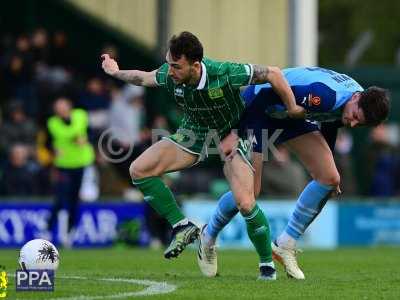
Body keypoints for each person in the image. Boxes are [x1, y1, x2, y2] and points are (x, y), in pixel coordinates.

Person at [102, 31, 304, 280]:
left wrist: (293, 107)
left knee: (246, 201)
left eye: (176, 66)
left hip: (235, 131)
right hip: (195, 134)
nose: (170, 70)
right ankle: (183, 226)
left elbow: (273, 73)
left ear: (196, 65)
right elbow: (143, 78)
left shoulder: (224, 72)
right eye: (168, 63)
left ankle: (266, 265)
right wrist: (114, 71)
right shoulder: (170, 74)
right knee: (138, 170)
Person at [197, 66, 390, 279]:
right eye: (354, 116)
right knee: (250, 190)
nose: (352, 123)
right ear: (356, 97)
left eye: (358, 124)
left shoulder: (356, 100)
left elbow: (331, 123)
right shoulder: (324, 95)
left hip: (289, 115)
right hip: (258, 108)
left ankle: (285, 244)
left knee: (329, 177)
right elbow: (265, 94)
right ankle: (207, 237)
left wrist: (325, 163)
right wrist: (239, 132)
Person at [47, 97, 95, 246]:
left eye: (63, 106)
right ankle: (48, 230)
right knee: (61, 198)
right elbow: (58, 137)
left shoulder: (81, 115)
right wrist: (76, 138)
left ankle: (69, 233)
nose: (61, 110)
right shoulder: (53, 123)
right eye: (58, 107)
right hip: (64, 165)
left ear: (70, 106)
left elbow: (91, 132)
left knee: (75, 200)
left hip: (82, 163)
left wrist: (86, 140)